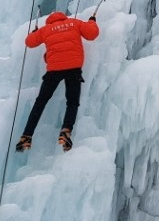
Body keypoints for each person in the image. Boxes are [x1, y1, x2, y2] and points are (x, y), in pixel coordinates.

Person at [15, 10, 99, 153]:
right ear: (63, 18)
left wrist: (34, 33)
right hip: (74, 68)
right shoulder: (74, 23)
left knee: (41, 102)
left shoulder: (46, 29)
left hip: (54, 70)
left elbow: (29, 42)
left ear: (50, 21)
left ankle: (26, 136)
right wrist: (92, 21)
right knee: (72, 102)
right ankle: (66, 130)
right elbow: (92, 34)